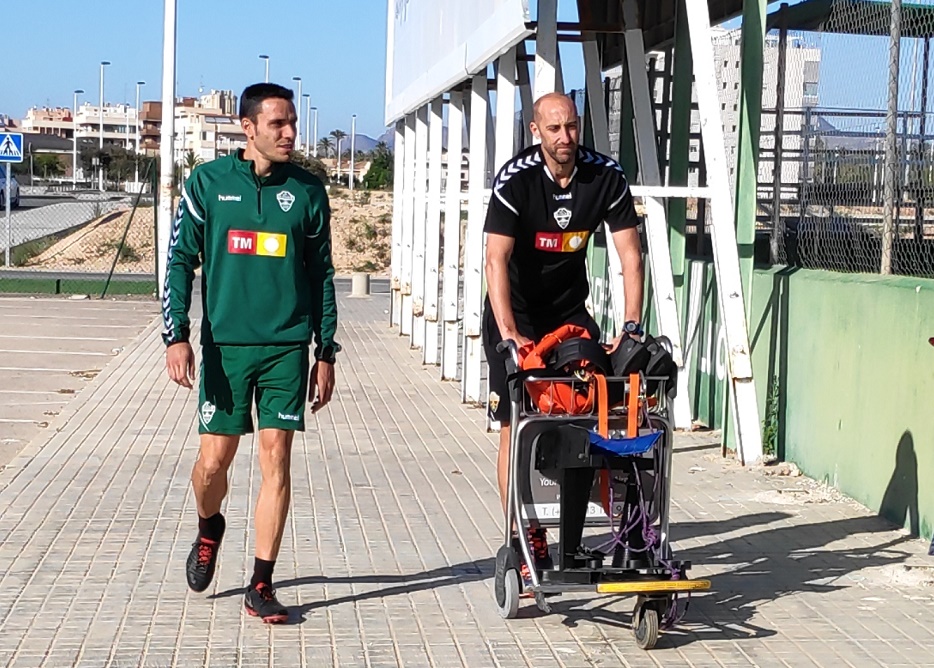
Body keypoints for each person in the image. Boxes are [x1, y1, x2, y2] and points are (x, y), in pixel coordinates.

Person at [162, 83, 340, 623]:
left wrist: (326, 350)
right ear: (248, 127)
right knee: (213, 463)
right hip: (225, 349)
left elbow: (322, 274)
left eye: (292, 123)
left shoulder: (308, 191)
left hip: (286, 347)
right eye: (278, 124)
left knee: (275, 460)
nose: (290, 133)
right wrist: (177, 335)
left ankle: (261, 583)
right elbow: (177, 263)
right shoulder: (209, 184)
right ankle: (208, 525)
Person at [482, 92, 645, 576]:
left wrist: (630, 326)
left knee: (592, 412)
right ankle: (524, 530)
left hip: (570, 314)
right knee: (518, 422)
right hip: (517, 314)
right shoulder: (516, 182)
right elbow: (495, 259)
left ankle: (591, 529)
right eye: (554, 129)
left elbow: (630, 256)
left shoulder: (605, 176)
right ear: (536, 132)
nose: (565, 138)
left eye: (571, 127)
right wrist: (510, 334)